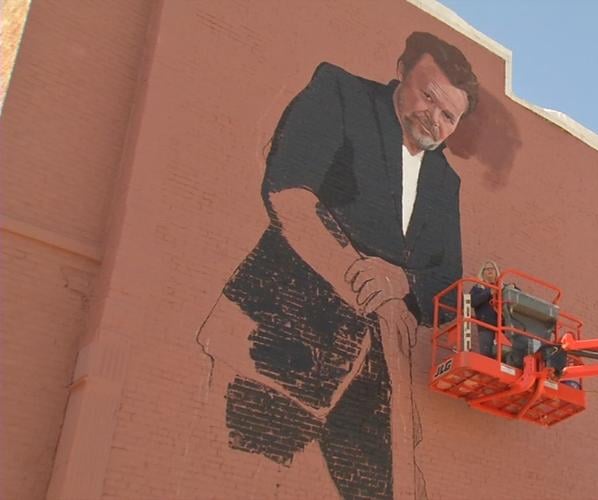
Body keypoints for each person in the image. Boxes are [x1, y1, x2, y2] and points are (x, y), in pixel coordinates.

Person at [206, 32, 479, 499]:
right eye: (427, 96)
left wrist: (402, 282)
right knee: (240, 481)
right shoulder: (341, 93)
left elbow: (446, 287)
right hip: (279, 343)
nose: (433, 117)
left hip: (378, 381)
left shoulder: (444, 183)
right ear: (401, 69)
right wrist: (364, 280)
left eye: (448, 115)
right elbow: (288, 191)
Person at [470, 261, 501, 358]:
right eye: (487, 269)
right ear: (482, 272)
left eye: (492, 268)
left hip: (502, 327)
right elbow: (472, 301)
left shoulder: (502, 286)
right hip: (486, 326)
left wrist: (513, 286)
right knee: (486, 355)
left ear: (496, 271)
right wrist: (489, 292)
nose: (490, 270)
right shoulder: (478, 288)